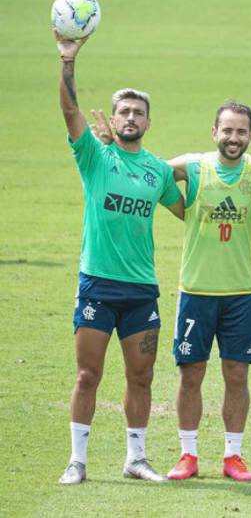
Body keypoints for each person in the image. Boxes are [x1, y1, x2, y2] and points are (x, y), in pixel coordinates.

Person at [55, 32, 184, 485]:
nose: (131, 117)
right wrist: (68, 62)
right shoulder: (95, 156)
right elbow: (69, 111)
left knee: (141, 376)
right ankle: (77, 461)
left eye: (138, 112)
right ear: (112, 118)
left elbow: (187, 211)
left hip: (140, 289)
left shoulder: (158, 171)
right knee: (87, 375)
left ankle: (136, 458)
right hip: (97, 283)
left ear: (148, 121)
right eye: (124, 111)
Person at [161, 103, 251, 482]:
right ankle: (188, 454)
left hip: (240, 293)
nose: (234, 138)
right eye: (227, 130)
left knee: (237, 375)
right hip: (196, 291)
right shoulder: (195, 167)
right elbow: (153, 173)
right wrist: (178, 206)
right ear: (214, 131)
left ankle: (233, 456)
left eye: (241, 132)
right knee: (191, 374)